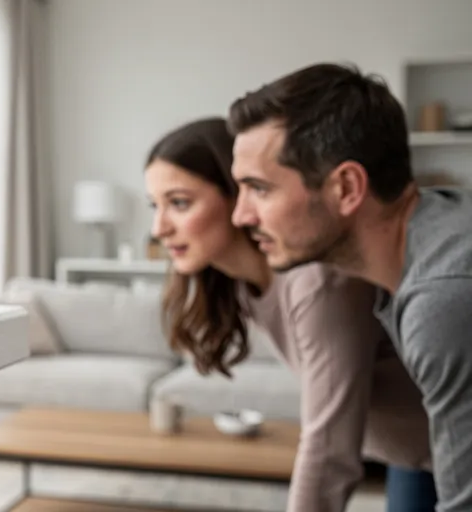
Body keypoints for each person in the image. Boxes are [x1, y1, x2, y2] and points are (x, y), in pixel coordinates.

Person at [143, 116, 434, 512]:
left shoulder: (318, 281)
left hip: (453, 446)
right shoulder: (242, 282)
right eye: (155, 206)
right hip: (412, 457)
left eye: (179, 203)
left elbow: (328, 451)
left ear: (238, 196)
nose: (158, 228)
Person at [226, 62, 472, 512]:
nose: (241, 216)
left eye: (259, 189)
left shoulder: (441, 298)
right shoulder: (430, 237)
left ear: (346, 187)